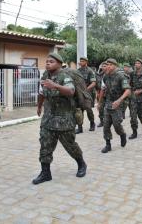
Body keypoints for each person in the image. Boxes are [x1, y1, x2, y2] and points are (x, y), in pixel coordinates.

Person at [32, 53, 87, 185]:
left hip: (64, 120)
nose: (48, 63)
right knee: (45, 145)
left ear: (58, 63)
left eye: (51, 61)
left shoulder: (65, 76)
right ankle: (45, 173)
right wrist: (39, 106)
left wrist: (55, 86)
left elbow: (70, 91)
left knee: (70, 145)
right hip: (48, 119)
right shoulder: (45, 76)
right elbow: (41, 93)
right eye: (47, 61)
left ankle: (81, 164)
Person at [98, 58, 131, 153]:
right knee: (106, 125)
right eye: (107, 65)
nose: (107, 66)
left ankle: (122, 134)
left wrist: (119, 100)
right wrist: (100, 102)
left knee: (117, 124)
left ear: (114, 66)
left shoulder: (121, 76)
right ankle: (108, 144)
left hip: (118, 104)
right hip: (108, 103)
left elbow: (128, 90)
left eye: (110, 65)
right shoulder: (105, 77)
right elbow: (103, 89)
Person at [76, 57, 96, 133]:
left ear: (86, 62)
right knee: (79, 110)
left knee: (88, 109)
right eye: (80, 61)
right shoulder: (77, 71)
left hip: (87, 93)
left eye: (82, 61)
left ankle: (92, 123)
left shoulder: (90, 71)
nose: (80, 62)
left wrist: (86, 89)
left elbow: (93, 83)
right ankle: (80, 127)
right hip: (79, 93)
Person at [96, 62, 107, 127]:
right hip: (100, 93)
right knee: (100, 108)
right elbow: (97, 84)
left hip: (108, 95)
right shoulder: (98, 75)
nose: (103, 67)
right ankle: (101, 121)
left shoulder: (109, 74)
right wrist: (97, 92)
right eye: (102, 66)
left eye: (105, 66)